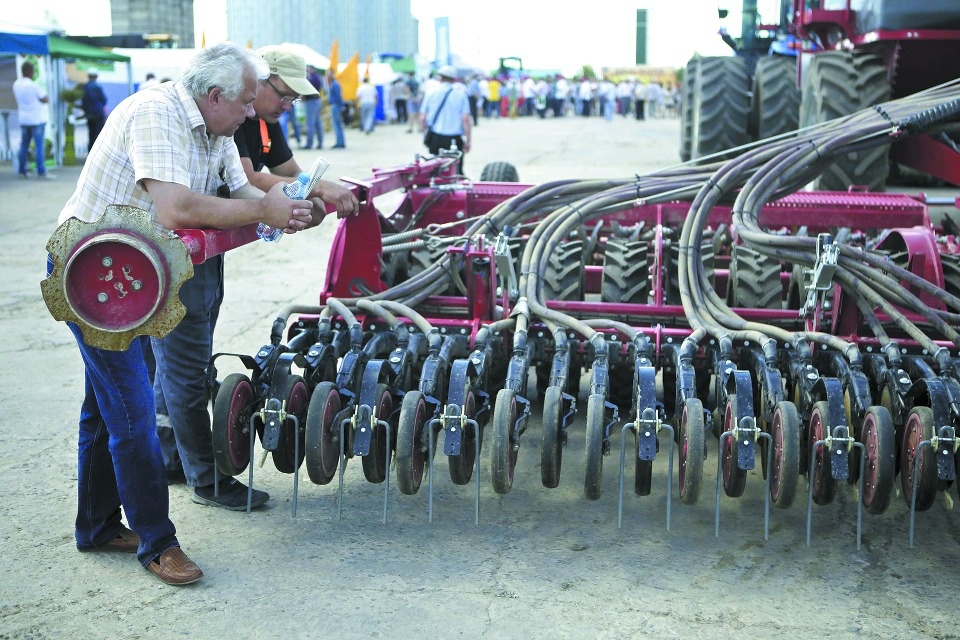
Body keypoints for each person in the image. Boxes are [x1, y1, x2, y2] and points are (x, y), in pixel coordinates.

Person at [53, 42, 313, 586]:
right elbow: (175, 206)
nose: (251, 113)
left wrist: (289, 203)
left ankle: (97, 525)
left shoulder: (215, 127)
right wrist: (264, 208)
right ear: (213, 94)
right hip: (96, 273)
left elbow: (242, 190)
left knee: (104, 408)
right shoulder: (156, 112)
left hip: (138, 272)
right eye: (245, 102)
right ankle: (157, 542)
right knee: (131, 412)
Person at [152, 45, 358, 514]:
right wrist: (281, 205)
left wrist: (297, 201)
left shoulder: (241, 122)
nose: (286, 106)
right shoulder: (187, 116)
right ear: (252, 86)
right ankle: (204, 477)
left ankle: (169, 456)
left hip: (198, 251)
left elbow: (269, 181)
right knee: (183, 367)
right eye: (282, 95)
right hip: (165, 254)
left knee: (174, 361)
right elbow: (189, 203)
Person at [419, 64, 471, 173]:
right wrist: (468, 140)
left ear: (440, 77)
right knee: (456, 171)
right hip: (455, 140)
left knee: (434, 170)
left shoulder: (430, 93)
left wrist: (424, 132)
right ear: (453, 79)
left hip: (435, 138)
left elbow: (422, 117)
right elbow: (465, 119)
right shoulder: (461, 95)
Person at [12, 60, 52, 179]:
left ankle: (22, 171)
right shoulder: (33, 85)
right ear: (30, 71)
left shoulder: (16, 84)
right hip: (36, 119)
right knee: (39, 146)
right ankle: (41, 171)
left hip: (24, 119)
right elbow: (45, 99)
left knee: (24, 146)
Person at [81, 71, 108, 151]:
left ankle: (90, 153)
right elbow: (104, 100)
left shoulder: (85, 87)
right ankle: (98, 152)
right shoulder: (98, 87)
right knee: (99, 134)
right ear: (96, 77)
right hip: (98, 114)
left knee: (91, 134)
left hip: (89, 115)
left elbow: (84, 102)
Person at [303, 65, 324, 149]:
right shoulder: (317, 77)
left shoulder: (312, 78)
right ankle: (320, 142)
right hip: (316, 101)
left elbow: (307, 89)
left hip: (311, 102)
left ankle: (309, 144)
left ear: (312, 69)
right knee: (318, 123)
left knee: (310, 124)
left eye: (308, 69)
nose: (307, 70)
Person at [326, 68, 346, 148]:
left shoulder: (335, 84)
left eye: (328, 74)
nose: (327, 75)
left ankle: (340, 142)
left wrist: (341, 106)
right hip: (335, 105)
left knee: (337, 124)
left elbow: (338, 96)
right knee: (337, 124)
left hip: (335, 106)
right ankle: (339, 141)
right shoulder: (333, 84)